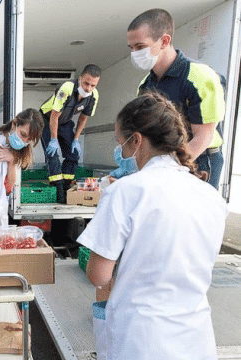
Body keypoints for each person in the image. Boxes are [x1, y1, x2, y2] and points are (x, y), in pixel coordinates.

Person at [77, 92, 227, 360]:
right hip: (196, 338)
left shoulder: (124, 192)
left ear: (137, 140)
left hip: (142, 340)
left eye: (120, 143)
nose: (120, 152)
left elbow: (98, 276)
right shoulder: (212, 197)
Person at [127, 8, 226, 189]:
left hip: (199, 159)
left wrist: (169, 168)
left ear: (165, 40)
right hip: (163, 163)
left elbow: (203, 136)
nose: (134, 53)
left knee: (195, 215)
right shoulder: (145, 86)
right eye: (131, 48)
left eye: (140, 47)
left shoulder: (200, 77)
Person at [40, 64, 101, 203]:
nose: (89, 88)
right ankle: (58, 187)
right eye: (86, 83)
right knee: (52, 153)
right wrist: (54, 139)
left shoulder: (93, 96)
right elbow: (54, 116)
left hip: (64, 121)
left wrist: (76, 139)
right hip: (46, 118)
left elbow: (83, 117)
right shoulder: (67, 88)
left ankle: (67, 185)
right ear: (80, 78)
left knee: (73, 154)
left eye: (93, 85)